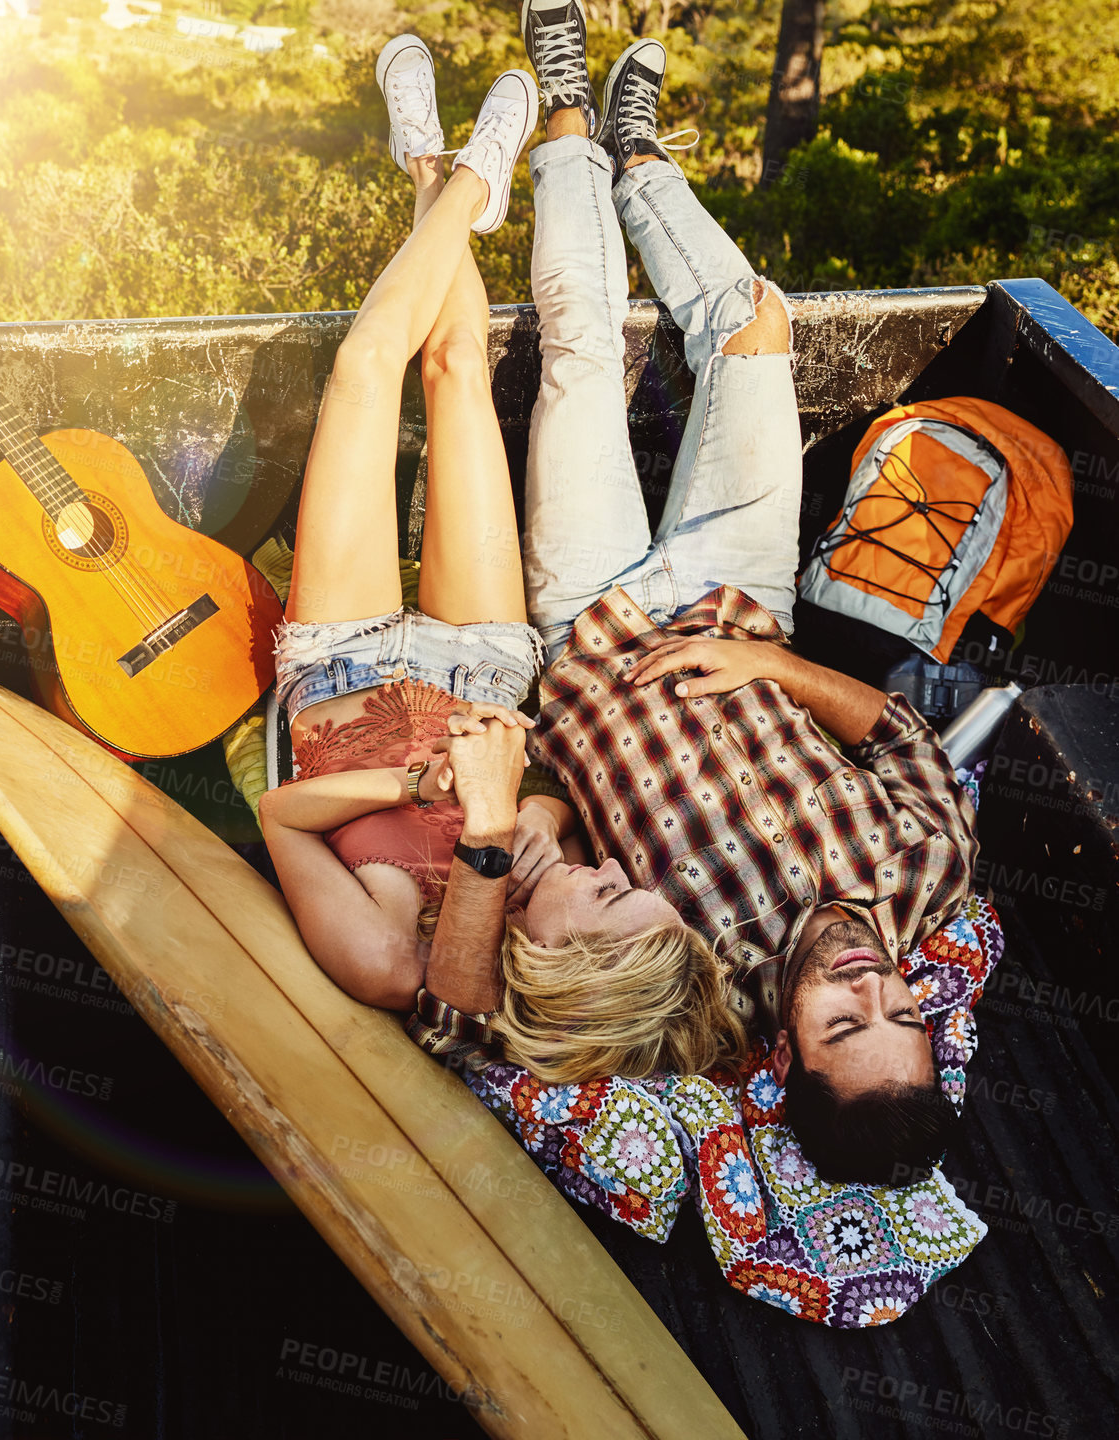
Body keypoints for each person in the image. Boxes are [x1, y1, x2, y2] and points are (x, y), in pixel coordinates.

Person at [410, 4, 976, 1186]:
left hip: (592, 628)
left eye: (840, 1025)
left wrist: (499, 834)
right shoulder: (927, 877)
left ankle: (564, 109)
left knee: (576, 346)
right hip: (737, 599)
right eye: (899, 1017)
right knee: (751, 323)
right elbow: (904, 730)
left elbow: (457, 1029)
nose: (867, 989)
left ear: (789, 1063)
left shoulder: (699, 1001)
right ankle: (640, 153)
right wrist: (771, 671)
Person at [261, 40, 564, 1013]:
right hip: (482, 665)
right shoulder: (549, 931)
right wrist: (501, 794)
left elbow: (280, 818)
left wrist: (416, 784)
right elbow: (554, 798)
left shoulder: (387, 965)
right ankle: (453, 179)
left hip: (336, 667)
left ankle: (451, 178)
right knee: (455, 373)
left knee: (362, 373)